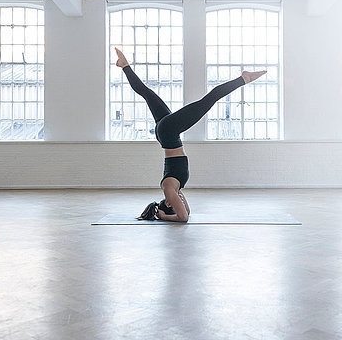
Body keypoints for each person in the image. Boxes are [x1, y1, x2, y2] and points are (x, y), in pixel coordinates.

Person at [114, 48, 266, 222]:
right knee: (147, 94)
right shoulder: (174, 190)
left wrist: (163, 217)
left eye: (174, 203)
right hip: (166, 134)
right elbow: (187, 211)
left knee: (208, 100)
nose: (179, 200)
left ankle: (244, 78)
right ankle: (124, 66)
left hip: (169, 133)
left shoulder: (169, 189)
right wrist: (173, 206)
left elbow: (183, 217)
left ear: (169, 204)